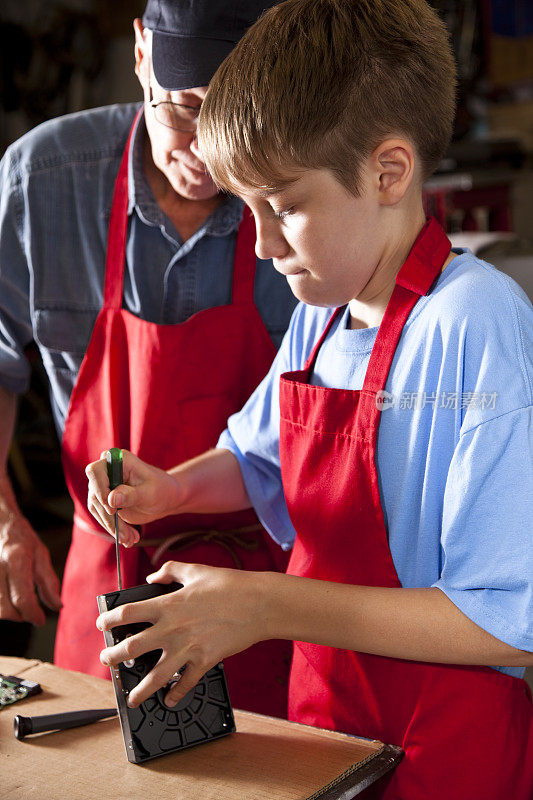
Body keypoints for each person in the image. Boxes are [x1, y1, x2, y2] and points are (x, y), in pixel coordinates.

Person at [86, 0, 533, 797]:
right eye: (246, 208)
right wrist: (173, 487)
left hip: (446, 752)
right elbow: (255, 457)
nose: (260, 243)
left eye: (284, 206)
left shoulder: (475, 324)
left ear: (387, 172)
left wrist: (267, 604)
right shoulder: (321, 318)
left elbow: (505, 620)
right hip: (324, 733)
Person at [0, 0, 297, 717]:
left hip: (264, 603)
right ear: (140, 52)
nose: (205, 149)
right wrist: (4, 521)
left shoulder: (307, 202)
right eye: (185, 110)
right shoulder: (43, 182)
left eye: (234, 117)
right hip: (106, 586)